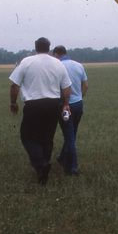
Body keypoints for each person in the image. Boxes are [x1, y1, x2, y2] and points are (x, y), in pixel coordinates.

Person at [9, 37, 71, 185]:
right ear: (49, 48)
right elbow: (66, 87)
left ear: (35, 47)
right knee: (47, 136)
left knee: (28, 137)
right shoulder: (58, 64)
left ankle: (41, 164)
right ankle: (43, 164)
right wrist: (66, 104)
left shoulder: (26, 62)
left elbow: (14, 85)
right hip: (53, 104)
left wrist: (13, 102)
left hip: (33, 105)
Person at [53, 45, 88, 175]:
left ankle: (72, 168)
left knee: (69, 136)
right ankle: (62, 158)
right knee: (71, 133)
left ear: (56, 54)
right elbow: (85, 85)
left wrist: (66, 103)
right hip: (78, 104)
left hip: (64, 105)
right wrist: (79, 97)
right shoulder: (78, 65)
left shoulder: (57, 67)